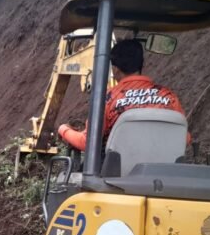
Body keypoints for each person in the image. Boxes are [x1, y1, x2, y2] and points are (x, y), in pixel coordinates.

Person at [58, 39, 186, 151]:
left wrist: (63, 130)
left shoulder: (107, 98)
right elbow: (185, 138)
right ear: (141, 64)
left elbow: (87, 143)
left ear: (115, 69)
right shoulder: (168, 96)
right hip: (163, 169)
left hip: (118, 171)